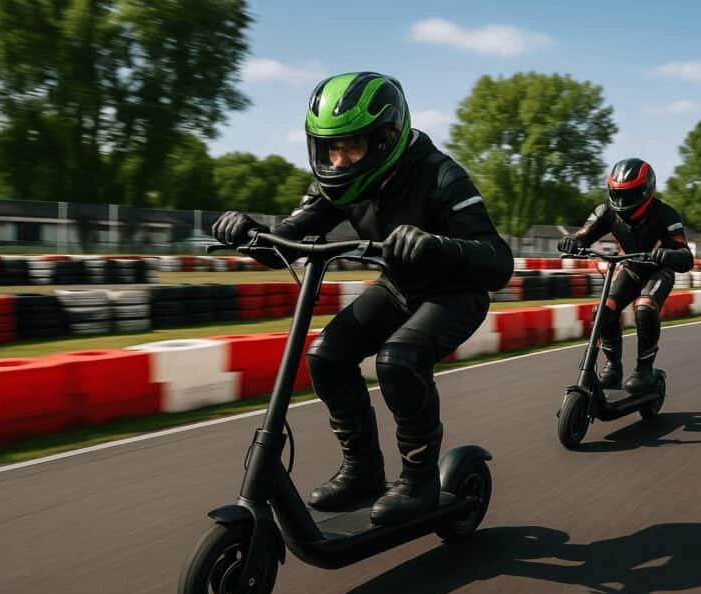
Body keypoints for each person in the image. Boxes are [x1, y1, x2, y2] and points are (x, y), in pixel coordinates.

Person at [212, 72, 513, 525]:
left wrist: (435, 244)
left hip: (455, 293)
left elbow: (497, 262)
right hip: (399, 286)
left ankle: (418, 480)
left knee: (398, 359)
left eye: (351, 146)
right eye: (330, 148)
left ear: (385, 137)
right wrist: (249, 232)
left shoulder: (441, 175)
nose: (338, 158)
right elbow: (287, 241)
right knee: (326, 356)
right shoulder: (337, 181)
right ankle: (363, 472)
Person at [557, 158, 693, 392]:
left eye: (628, 195)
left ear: (646, 190)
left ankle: (644, 370)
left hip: (659, 270)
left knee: (645, 307)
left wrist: (667, 255)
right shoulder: (606, 211)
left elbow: (685, 256)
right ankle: (612, 367)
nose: (621, 202)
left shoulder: (666, 214)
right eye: (616, 194)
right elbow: (582, 236)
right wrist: (571, 241)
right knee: (603, 311)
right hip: (629, 267)